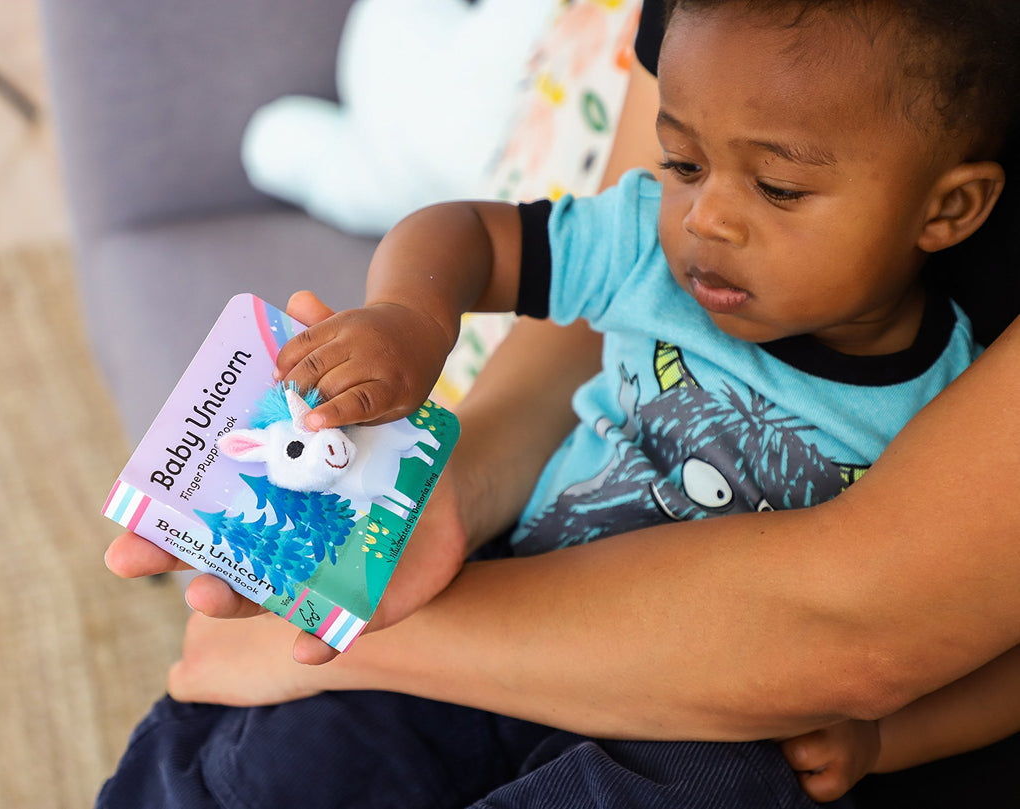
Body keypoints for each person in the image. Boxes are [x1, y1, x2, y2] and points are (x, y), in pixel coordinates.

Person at [99, 1, 1020, 807]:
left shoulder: (949, 405)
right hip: (510, 572)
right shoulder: (643, 246)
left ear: (951, 210)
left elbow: (965, 647)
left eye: (777, 187)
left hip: (704, 728)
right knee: (268, 759)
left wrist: (893, 741)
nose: (706, 217)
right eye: (683, 161)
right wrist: (413, 316)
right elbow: (467, 233)